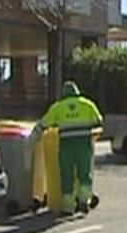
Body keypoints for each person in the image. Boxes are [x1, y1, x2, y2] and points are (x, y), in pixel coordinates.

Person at [38, 80, 104, 215]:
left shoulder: (58, 106)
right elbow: (99, 121)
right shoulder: (87, 104)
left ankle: (68, 208)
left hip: (66, 146)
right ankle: (83, 202)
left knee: (66, 176)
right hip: (84, 145)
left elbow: (44, 123)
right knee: (84, 175)